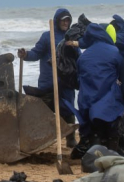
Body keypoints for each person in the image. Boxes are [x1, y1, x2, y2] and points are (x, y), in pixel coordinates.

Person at [17, 8, 78, 147]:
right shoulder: (47, 37)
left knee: (68, 110)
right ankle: (40, 139)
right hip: (48, 81)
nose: (66, 22)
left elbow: (77, 58)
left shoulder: (71, 38)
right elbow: (36, 53)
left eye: (68, 20)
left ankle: (70, 139)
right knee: (44, 110)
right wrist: (25, 55)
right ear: (57, 21)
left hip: (66, 82)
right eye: (63, 20)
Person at [76, 22, 124, 152]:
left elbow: (79, 78)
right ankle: (112, 151)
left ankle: (94, 152)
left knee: (95, 131)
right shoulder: (114, 51)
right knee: (112, 127)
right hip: (108, 99)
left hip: (87, 100)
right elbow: (122, 74)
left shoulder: (84, 55)